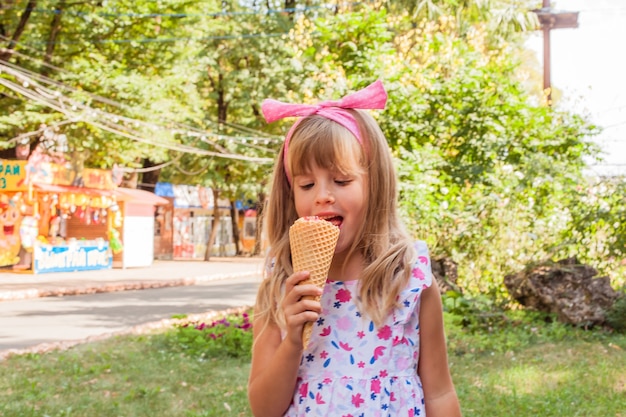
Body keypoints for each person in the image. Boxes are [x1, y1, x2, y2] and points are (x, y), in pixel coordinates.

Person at [248, 80, 461, 417]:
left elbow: (439, 393)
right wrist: (292, 339)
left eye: (342, 180)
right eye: (306, 184)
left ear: (374, 184)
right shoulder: (283, 286)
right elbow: (264, 409)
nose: (322, 195)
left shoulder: (409, 278)